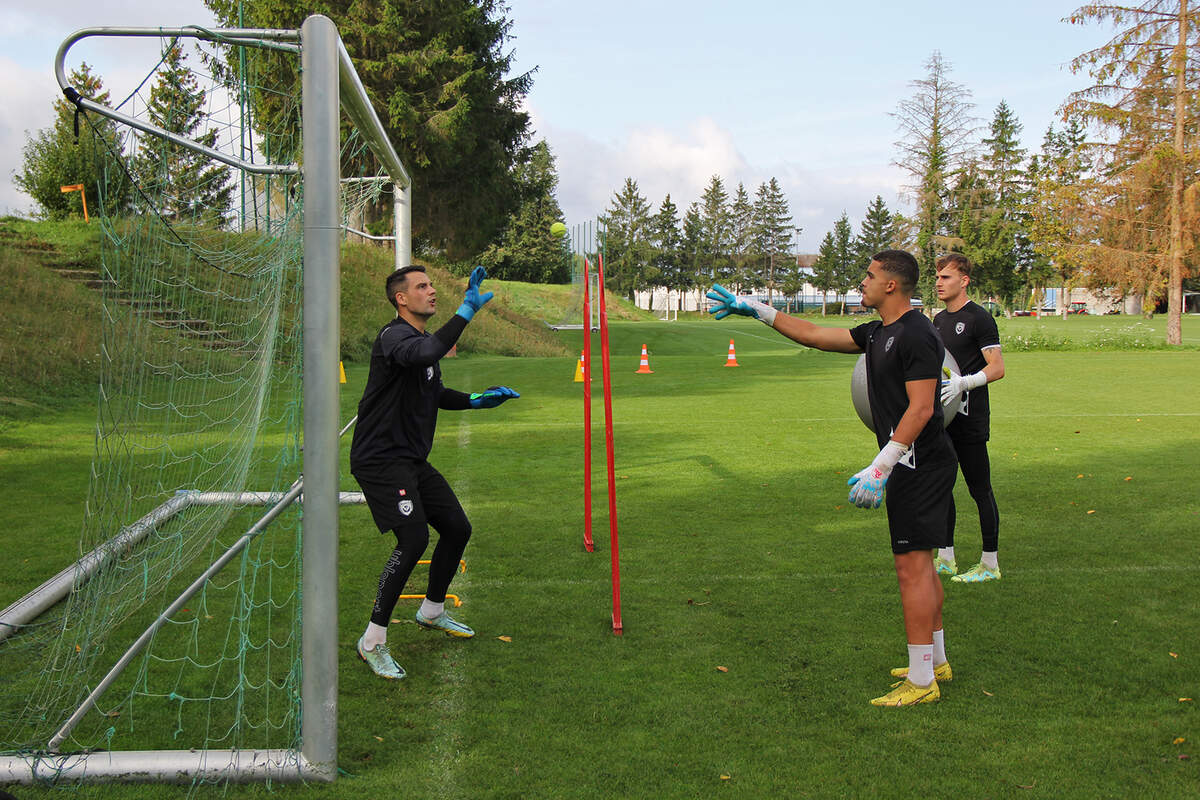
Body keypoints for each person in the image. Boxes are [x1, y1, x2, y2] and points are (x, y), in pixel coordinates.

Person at [707, 250, 956, 707]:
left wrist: (882, 466)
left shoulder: (917, 333)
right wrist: (759, 310)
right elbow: (818, 335)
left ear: (892, 286)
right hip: (912, 461)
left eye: (869, 276)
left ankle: (922, 683)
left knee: (912, 567)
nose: (861, 283)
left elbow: (923, 408)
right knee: (919, 562)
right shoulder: (881, 331)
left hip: (918, 464)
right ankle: (935, 661)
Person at [349, 264, 519, 680]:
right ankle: (371, 641)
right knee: (413, 539)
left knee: (457, 528)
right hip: (380, 460)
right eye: (421, 286)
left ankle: (432, 610)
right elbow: (427, 355)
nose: (431, 291)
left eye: (431, 285)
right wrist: (466, 311)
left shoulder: (420, 341)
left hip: (409, 460)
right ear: (401, 299)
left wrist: (477, 401)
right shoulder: (394, 337)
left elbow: (434, 391)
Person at [932, 253, 1006, 583]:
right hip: (944, 419)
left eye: (946, 277)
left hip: (971, 418)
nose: (938, 282)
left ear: (964, 281)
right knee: (941, 487)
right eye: (937, 277)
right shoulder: (937, 320)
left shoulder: (979, 318)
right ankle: (945, 557)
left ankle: (990, 564)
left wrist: (965, 382)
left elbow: (998, 367)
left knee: (979, 489)